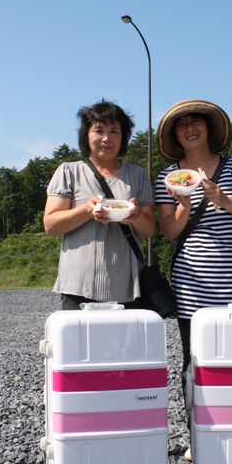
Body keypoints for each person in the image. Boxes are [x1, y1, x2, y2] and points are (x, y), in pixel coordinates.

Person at [154, 99, 232, 381]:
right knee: (196, 362)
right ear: (175, 134)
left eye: (196, 121)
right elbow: (170, 232)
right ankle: (198, 412)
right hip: (192, 285)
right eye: (181, 125)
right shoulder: (168, 177)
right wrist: (184, 204)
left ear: (208, 128)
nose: (189, 129)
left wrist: (224, 199)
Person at [44, 100, 156, 310]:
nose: (106, 138)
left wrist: (136, 216)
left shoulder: (137, 175)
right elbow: (51, 225)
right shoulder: (69, 171)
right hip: (78, 284)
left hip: (127, 285)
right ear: (86, 135)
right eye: (99, 131)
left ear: (123, 137)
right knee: (79, 333)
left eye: (114, 132)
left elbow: (148, 230)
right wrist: (86, 210)